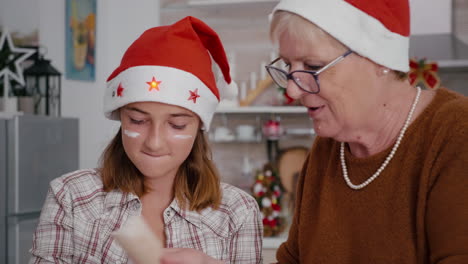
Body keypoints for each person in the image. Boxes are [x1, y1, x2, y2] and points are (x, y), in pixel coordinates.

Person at [29, 16, 263, 264]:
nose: (154, 142)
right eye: (138, 121)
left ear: (199, 128)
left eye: (177, 125)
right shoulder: (71, 197)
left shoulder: (237, 212)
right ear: (120, 117)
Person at [264, 0, 468, 263]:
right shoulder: (328, 148)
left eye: (313, 66)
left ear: (378, 59)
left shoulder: (456, 134)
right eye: (289, 67)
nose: (292, 90)